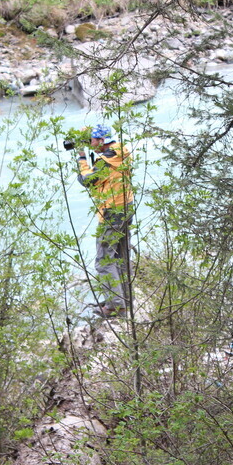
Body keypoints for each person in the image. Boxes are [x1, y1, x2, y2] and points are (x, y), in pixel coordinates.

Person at [77, 124, 135, 319]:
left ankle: (115, 306)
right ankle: (124, 300)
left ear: (102, 141)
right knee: (121, 257)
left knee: (104, 261)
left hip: (111, 213)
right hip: (126, 208)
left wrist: (82, 158)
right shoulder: (122, 152)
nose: (91, 144)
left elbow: (87, 180)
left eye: (93, 140)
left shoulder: (105, 162)